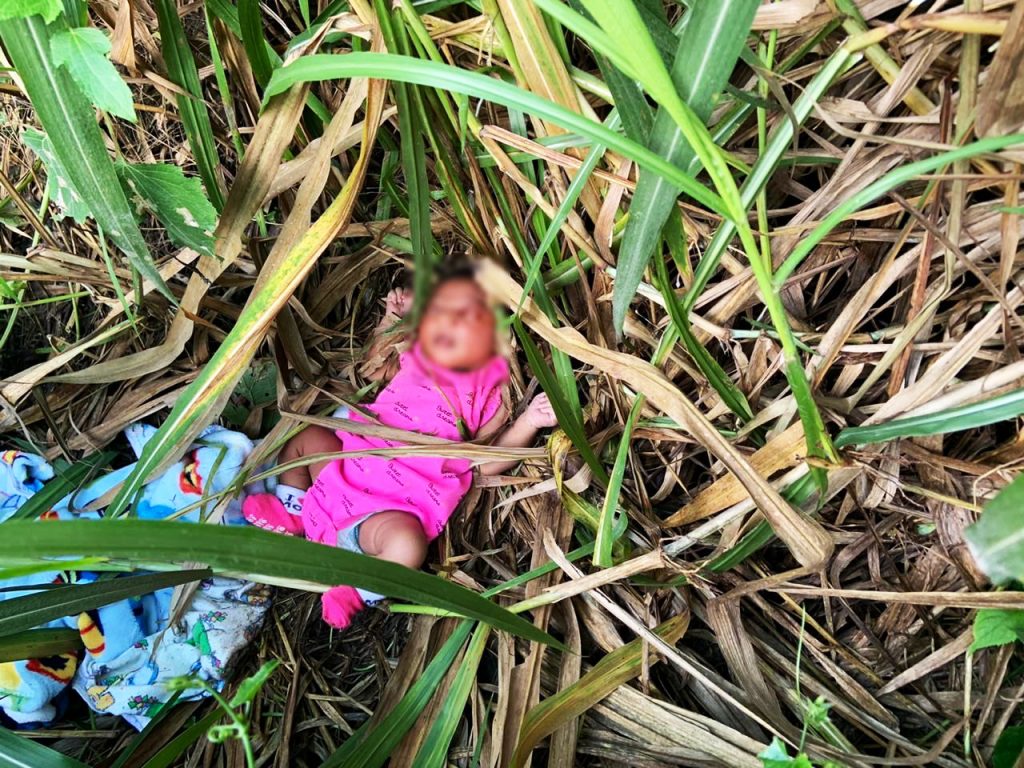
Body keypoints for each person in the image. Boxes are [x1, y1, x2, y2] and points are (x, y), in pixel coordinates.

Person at [242, 263, 558, 628]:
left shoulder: (491, 388)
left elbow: (484, 460)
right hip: (345, 472)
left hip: (388, 509)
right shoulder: (419, 352)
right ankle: (294, 511)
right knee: (307, 440)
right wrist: (391, 321)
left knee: (409, 545)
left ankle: (360, 588)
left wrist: (527, 423)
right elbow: (375, 369)